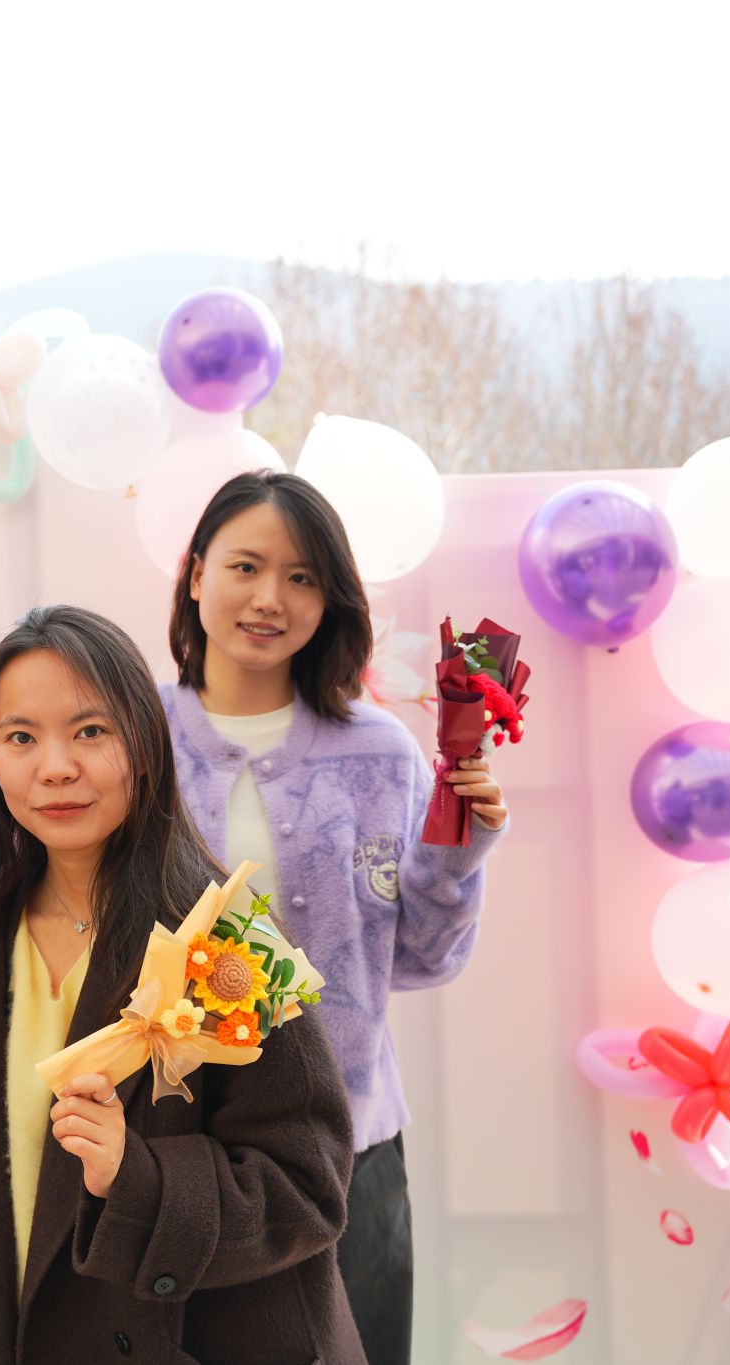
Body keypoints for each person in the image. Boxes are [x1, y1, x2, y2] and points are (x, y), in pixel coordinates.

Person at [0, 605, 363, 1365]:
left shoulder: (224, 939)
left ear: (144, 747)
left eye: (90, 731)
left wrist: (135, 1177)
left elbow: (306, 1186)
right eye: (21, 737)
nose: (55, 767)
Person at [162, 470, 509, 1365]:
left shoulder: (380, 752)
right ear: (196, 574)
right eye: (246, 566)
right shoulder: (134, 739)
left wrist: (459, 851)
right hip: (174, 1146)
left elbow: (421, 958)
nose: (269, 598)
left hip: (349, 1147)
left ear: (330, 600)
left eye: (303, 577)